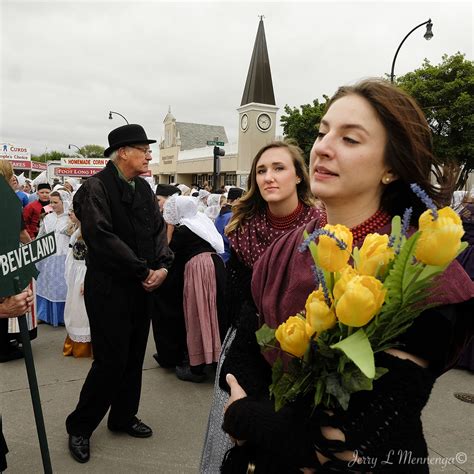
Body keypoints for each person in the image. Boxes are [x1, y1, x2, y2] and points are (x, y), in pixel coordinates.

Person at [220, 79, 474, 473]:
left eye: (350, 139)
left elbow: (341, 442)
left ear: (391, 167)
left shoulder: (421, 270)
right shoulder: (283, 251)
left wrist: (241, 417)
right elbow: (239, 360)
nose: (322, 146)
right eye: (322, 133)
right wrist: (263, 419)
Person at [200, 141, 320, 472]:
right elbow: (238, 303)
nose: (269, 177)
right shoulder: (242, 229)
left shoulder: (323, 228)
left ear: (298, 176)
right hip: (249, 343)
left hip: (307, 350)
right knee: (239, 436)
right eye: (262, 170)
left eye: (279, 168)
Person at [65, 124, 173, 464]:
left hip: (143, 289)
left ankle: (123, 417)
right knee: (110, 362)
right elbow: (101, 237)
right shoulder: (94, 188)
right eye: (144, 149)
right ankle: (80, 426)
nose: (149, 155)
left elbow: (157, 232)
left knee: (133, 358)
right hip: (111, 290)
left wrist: (164, 267)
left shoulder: (143, 188)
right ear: (124, 152)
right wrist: (143, 271)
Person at [162, 195, 226, 382]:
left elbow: (168, 250)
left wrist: (170, 227)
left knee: (197, 313)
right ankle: (216, 361)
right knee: (215, 313)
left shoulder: (184, 229)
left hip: (199, 268)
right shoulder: (201, 221)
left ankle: (196, 366)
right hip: (215, 264)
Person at [35, 190, 71, 327]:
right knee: (46, 285)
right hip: (48, 258)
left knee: (62, 288)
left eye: (56, 202)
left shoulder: (71, 218)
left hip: (64, 258)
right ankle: (44, 314)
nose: (52, 205)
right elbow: (40, 236)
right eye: (51, 202)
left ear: (64, 202)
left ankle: (62, 317)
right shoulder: (48, 218)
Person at [63, 206, 92, 358]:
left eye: (73, 211)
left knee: (82, 310)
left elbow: (92, 259)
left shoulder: (89, 232)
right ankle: (75, 343)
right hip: (75, 273)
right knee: (73, 308)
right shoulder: (77, 229)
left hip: (84, 273)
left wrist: (86, 281)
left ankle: (86, 346)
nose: (70, 214)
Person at [215, 187, 244, 264]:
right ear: (238, 200)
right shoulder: (232, 216)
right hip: (228, 258)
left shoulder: (222, 213)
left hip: (219, 256)